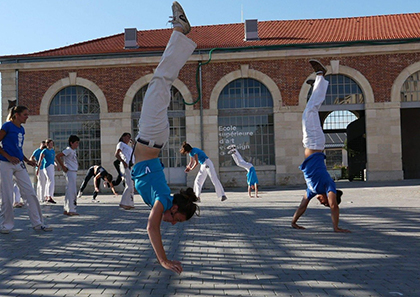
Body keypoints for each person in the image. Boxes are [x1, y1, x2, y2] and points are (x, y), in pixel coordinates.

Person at [131, 1, 199, 274]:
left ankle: (180, 31)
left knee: (162, 82)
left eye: (175, 223)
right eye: (176, 219)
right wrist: (162, 260)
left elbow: (154, 224)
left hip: (152, 137)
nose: (172, 223)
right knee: (161, 80)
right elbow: (151, 227)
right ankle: (180, 30)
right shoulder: (162, 198)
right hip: (150, 136)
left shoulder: (163, 199)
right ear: (174, 207)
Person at [291, 59, 350, 233]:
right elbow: (334, 206)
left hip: (310, 144)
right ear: (329, 196)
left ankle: (314, 87)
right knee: (310, 111)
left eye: (321, 202)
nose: (321, 202)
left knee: (309, 112)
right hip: (315, 143)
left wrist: (294, 222)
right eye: (323, 201)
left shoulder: (311, 190)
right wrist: (336, 227)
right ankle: (320, 76)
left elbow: (302, 206)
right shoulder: (328, 186)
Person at [0, 106, 52, 234]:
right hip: (5, 163)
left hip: (18, 163)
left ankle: (38, 223)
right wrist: (8, 157)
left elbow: (18, 149)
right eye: (25, 114)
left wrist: (27, 160)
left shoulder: (21, 130)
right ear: (16, 115)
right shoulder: (7, 126)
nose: (27, 117)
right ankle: (6, 225)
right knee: (7, 195)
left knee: (30, 193)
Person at [56, 135, 80, 216]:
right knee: (71, 191)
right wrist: (63, 166)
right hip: (70, 171)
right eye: (76, 143)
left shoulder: (73, 151)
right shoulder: (68, 150)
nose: (77, 145)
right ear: (71, 143)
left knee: (69, 190)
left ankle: (66, 208)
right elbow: (58, 156)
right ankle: (71, 209)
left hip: (73, 171)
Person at [114, 132, 135, 210]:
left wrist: (133, 144)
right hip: (125, 165)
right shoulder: (121, 144)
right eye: (127, 136)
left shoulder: (128, 147)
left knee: (131, 185)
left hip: (130, 166)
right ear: (123, 137)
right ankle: (124, 202)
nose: (128, 138)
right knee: (129, 184)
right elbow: (117, 154)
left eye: (129, 137)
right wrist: (123, 161)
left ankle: (129, 203)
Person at [37, 139, 57, 204]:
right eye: (49, 143)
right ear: (47, 144)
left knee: (49, 181)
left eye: (52, 143)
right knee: (51, 180)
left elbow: (53, 159)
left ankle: (47, 195)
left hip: (51, 166)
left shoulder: (53, 151)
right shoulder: (44, 151)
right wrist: (38, 169)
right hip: (47, 166)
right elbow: (40, 160)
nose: (51, 145)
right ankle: (49, 196)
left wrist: (57, 165)